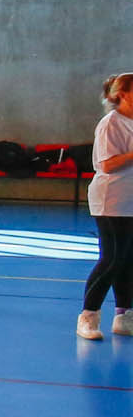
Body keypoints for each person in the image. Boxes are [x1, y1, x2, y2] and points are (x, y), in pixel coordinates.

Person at [79, 72, 133, 340]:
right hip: (111, 201)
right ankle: (88, 317)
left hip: (131, 201)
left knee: (128, 261)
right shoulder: (110, 124)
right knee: (111, 259)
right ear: (122, 94)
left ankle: (124, 316)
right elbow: (106, 164)